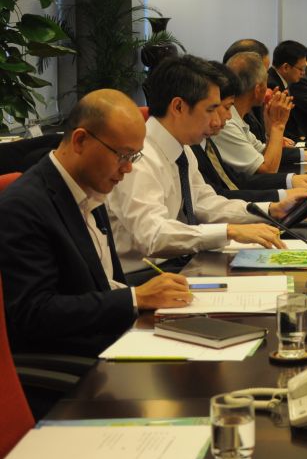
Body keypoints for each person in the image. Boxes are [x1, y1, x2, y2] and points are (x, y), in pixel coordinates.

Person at [0, 90, 191, 356]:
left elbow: (101, 284)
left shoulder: (90, 187)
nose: (128, 168)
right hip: (72, 357)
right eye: (123, 155)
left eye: (134, 157)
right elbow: (34, 313)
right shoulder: (23, 207)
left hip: (113, 335)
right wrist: (136, 298)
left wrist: (147, 298)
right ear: (80, 140)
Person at [109, 55, 295, 277]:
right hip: (144, 276)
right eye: (210, 110)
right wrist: (229, 231)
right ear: (178, 107)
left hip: (178, 263)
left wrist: (270, 210)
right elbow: (153, 235)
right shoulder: (140, 157)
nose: (217, 121)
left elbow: (205, 204)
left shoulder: (183, 149)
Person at [194, 61, 307, 202]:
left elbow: (237, 180)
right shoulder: (220, 130)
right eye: (211, 109)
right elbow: (266, 169)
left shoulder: (206, 140)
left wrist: (290, 180)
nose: (229, 115)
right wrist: (277, 126)